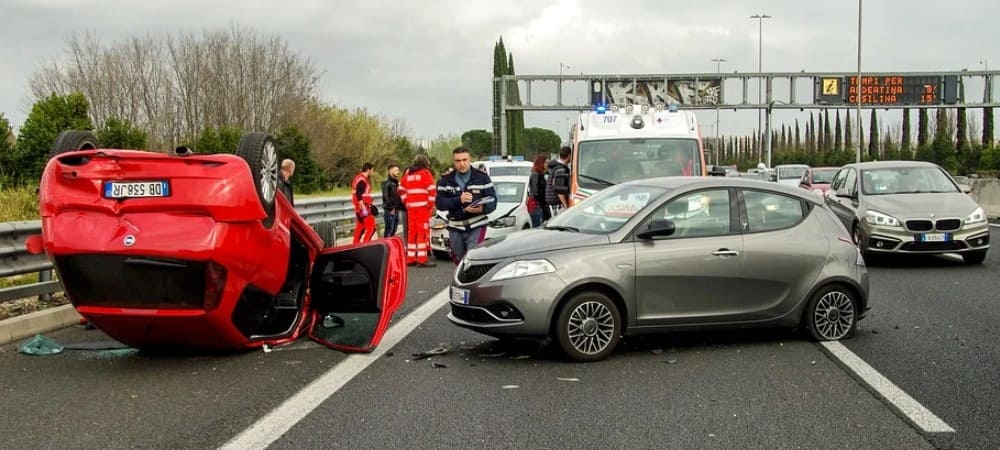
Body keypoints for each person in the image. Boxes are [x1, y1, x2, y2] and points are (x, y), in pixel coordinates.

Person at [436, 147, 496, 264]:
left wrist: (482, 208)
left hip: (477, 225)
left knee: (473, 257)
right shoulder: (446, 180)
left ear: (470, 160)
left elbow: (493, 201)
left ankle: (474, 282)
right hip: (455, 226)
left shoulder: (482, 178)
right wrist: (459, 199)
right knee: (459, 261)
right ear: (454, 162)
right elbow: (440, 203)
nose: (462, 164)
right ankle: (461, 281)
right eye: (458, 161)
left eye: (464, 160)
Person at [398, 154, 437, 267]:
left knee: (412, 232)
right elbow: (432, 190)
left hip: (411, 209)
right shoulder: (425, 174)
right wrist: (430, 204)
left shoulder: (408, 175)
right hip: (422, 209)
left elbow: (400, 188)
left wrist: (406, 201)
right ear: (425, 163)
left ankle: (410, 258)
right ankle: (422, 259)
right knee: (422, 233)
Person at [351, 162, 377, 243]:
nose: (373, 172)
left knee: (360, 227)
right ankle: (366, 244)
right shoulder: (362, 180)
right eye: (372, 170)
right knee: (371, 227)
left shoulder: (359, 178)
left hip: (359, 208)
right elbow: (359, 194)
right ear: (368, 170)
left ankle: (355, 245)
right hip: (363, 207)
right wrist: (363, 208)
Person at [545, 146, 572, 214]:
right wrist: (565, 205)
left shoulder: (555, 166)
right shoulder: (561, 169)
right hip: (557, 202)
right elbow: (559, 188)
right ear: (569, 155)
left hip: (552, 200)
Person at [381, 163, 404, 238]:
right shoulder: (386, 183)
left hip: (396, 209)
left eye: (398, 170)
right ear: (390, 171)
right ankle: (386, 247)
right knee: (389, 230)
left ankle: (390, 246)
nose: (398, 172)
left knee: (394, 230)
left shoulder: (396, 183)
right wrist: (391, 208)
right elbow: (386, 196)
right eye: (396, 170)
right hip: (390, 210)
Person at [528, 154, 550, 227]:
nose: (547, 164)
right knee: (538, 227)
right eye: (546, 162)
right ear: (541, 163)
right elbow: (536, 191)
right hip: (536, 205)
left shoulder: (541, 175)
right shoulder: (536, 174)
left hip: (540, 204)